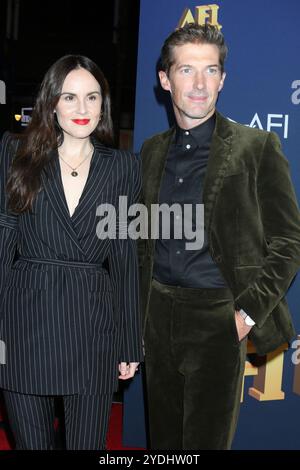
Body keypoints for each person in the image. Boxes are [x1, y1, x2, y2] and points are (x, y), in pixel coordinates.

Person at [138, 23, 300, 450]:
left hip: (217, 316)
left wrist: (246, 314)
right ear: (164, 79)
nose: (199, 84)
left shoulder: (256, 147)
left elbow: (288, 242)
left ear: (223, 79)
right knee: (165, 446)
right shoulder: (151, 150)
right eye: (187, 70)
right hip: (156, 316)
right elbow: (138, 241)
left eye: (210, 71)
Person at [0, 55, 142, 450]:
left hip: (93, 330)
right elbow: (3, 237)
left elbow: (125, 255)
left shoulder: (124, 168)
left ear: (104, 105)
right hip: (24, 324)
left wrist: (129, 340)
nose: (82, 109)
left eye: (92, 98)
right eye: (70, 97)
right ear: (52, 103)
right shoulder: (17, 153)